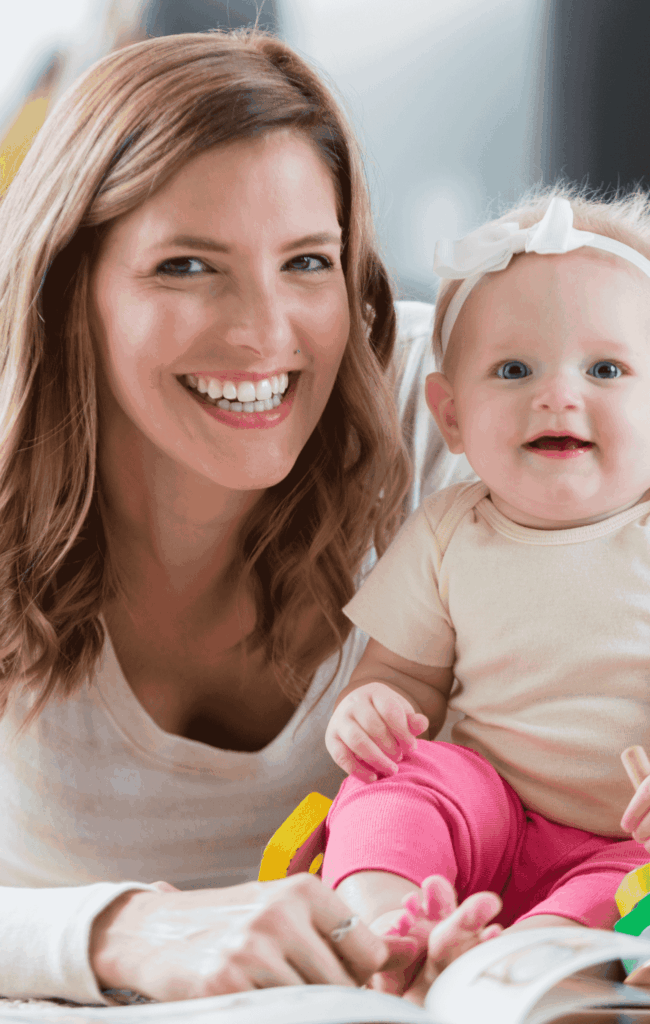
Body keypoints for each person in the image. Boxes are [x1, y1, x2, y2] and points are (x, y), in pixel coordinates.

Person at [0, 28, 479, 1006]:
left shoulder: (459, 413)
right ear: (65, 290)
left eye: (307, 261)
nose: (264, 333)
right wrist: (117, 931)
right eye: (186, 266)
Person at [322, 189, 650, 992]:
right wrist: (370, 711)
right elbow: (404, 678)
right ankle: (388, 927)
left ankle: (524, 971)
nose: (558, 394)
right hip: (486, 813)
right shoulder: (447, 532)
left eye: (605, 368)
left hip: (626, 843)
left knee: (623, 897)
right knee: (397, 782)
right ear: (452, 415)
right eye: (513, 369)